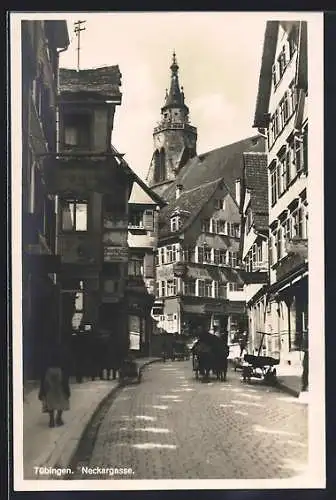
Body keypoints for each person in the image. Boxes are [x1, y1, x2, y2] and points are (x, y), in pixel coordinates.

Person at [38, 344, 71, 428]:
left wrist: (42, 389)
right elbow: (65, 376)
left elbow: (43, 377)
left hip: (49, 379)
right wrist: (67, 388)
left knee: (50, 401)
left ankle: (51, 419)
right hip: (60, 379)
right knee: (61, 400)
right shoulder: (62, 363)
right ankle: (58, 418)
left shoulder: (46, 361)